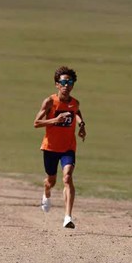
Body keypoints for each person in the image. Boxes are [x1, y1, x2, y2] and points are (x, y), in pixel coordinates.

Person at [33, 66, 87, 228]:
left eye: (69, 82)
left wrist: (82, 125)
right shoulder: (50, 102)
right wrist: (54, 121)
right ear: (57, 84)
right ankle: (46, 192)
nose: (66, 85)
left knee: (67, 177)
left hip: (68, 148)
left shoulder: (75, 103)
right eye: (63, 82)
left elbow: (76, 112)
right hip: (50, 147)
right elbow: (36, 123)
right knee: (51, 180)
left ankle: (67, 217)